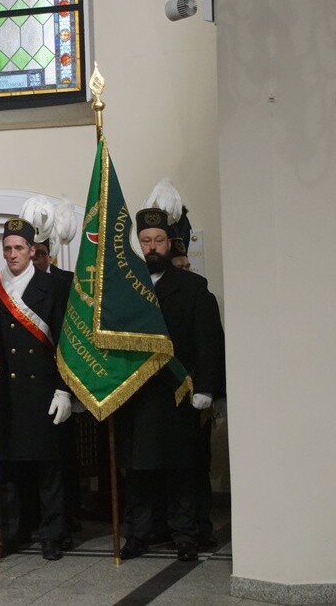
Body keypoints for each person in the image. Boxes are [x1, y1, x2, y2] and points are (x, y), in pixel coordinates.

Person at [117, 207, 225, 562]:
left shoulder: (193, 288)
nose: (152, 247)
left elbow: (208, 342)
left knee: (182, 470)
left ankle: (185, 535)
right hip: (136, 395)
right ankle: (138, 535)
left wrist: (207, 389)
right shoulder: (127, 287)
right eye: (146, 241)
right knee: (139, 471)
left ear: (170, 243)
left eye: (158, 241)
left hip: (178, 395)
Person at [0, 218, 73, 561]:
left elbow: (66, 343)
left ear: (32, 250)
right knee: (8, 471)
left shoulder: (51, 288)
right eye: (7, 248)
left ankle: (53, 535)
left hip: (43, 393)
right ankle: (12, 533)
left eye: (19, 248)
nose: (12, 254)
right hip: (5, 394)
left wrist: (64, 390)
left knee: (48, 470)